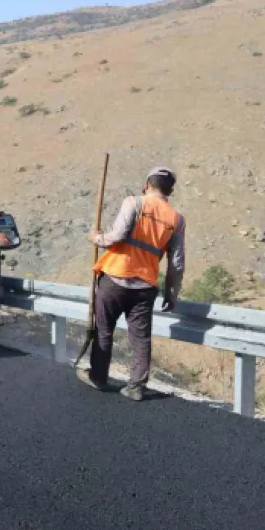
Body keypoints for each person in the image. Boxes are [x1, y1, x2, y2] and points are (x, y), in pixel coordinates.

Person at [78, 167, 186, 401]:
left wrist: (96, 238)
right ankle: (136, 386)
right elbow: (176, 264)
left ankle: (98, 377)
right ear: (171, 190)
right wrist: (172, 294)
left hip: (115, 278)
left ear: (147, 184)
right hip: (145, 287)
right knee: (140, 337)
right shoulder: (176, 220)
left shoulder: (134, 203)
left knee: (104, 329)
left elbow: (115, 237)